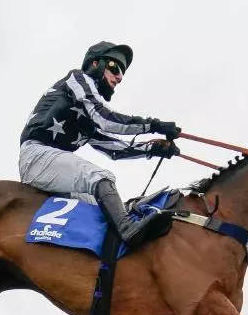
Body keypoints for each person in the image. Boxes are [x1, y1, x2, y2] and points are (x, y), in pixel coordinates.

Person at [19, 41, 182, 246]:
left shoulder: (87, 118)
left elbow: (115, 149)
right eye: (115, 68)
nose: (120, 77)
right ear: (95, 64)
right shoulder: (77, 78)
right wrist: (153, 125)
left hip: (49, 166)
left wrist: (153, 148)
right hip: (36, 155)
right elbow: (106, 119)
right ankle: (128, 229)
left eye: (122, 72)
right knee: (102, 177)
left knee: (101, 208)